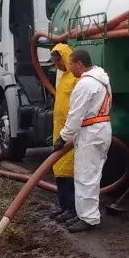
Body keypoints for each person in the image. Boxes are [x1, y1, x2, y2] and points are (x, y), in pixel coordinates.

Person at [54, 49, 112, 233]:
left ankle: (89, 219)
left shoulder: (85, 84)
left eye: (71, 64)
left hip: (91, 133)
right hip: (99, 130)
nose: (70, 67)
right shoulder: (101, 79)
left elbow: (75, 115)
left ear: (79, 64)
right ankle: (83, 214)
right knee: (88, 176)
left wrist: (63, 137)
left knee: (86, 177)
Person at [48, 44, 78, 223]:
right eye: (55, 63)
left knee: (70, 172)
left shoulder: (75, 78)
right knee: (59, 169)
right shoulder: (63, 77)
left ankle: (72, 208)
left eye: (59, 61)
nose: (57, 65)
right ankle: (63, 205)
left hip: (70, 133)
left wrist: (68, 132)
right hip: (59, 130)